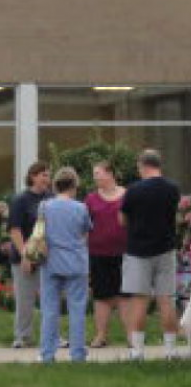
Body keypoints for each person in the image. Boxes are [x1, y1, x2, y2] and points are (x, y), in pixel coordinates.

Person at [120, 149, 181, 361]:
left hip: (138, 251)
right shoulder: (173, 189)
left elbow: (122, 220)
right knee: (166, 300)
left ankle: (137, 352)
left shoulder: (133, 190)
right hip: (165, 249)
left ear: (142, 165)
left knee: (139, 301)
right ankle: (171, 351)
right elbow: (173, 216)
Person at [40, 167, 92, 364]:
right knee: (77, 309)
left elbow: (40, 233)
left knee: (49, 309)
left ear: (55, 185)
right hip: (76, 262)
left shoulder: (44, 206)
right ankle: (77, 354)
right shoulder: (81, 208)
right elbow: (85, 233)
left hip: (51, 261)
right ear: (74, 185)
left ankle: (47, 354)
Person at [8, 161, 53, 349]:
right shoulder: (21, 200)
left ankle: (51, 335)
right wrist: (25, 255)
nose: (46, 178)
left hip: (48, 257)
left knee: (50, 297)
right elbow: (15, 230)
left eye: (48, 175)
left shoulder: (52, 198)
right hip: (24, 257)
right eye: (43, 174)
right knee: (25, 298)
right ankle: (23, 336)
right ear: (33, 176)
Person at [85, 161, 128, 348]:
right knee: (101, 295)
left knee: (126, 295)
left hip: (125, 253)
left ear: (110, 174)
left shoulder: (127, 195)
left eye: (98, 173)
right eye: (94, 174)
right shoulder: (90, 199)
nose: (95, 177)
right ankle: (101, 335)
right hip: (98, 253)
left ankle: (131, 336)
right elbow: (84, 226)